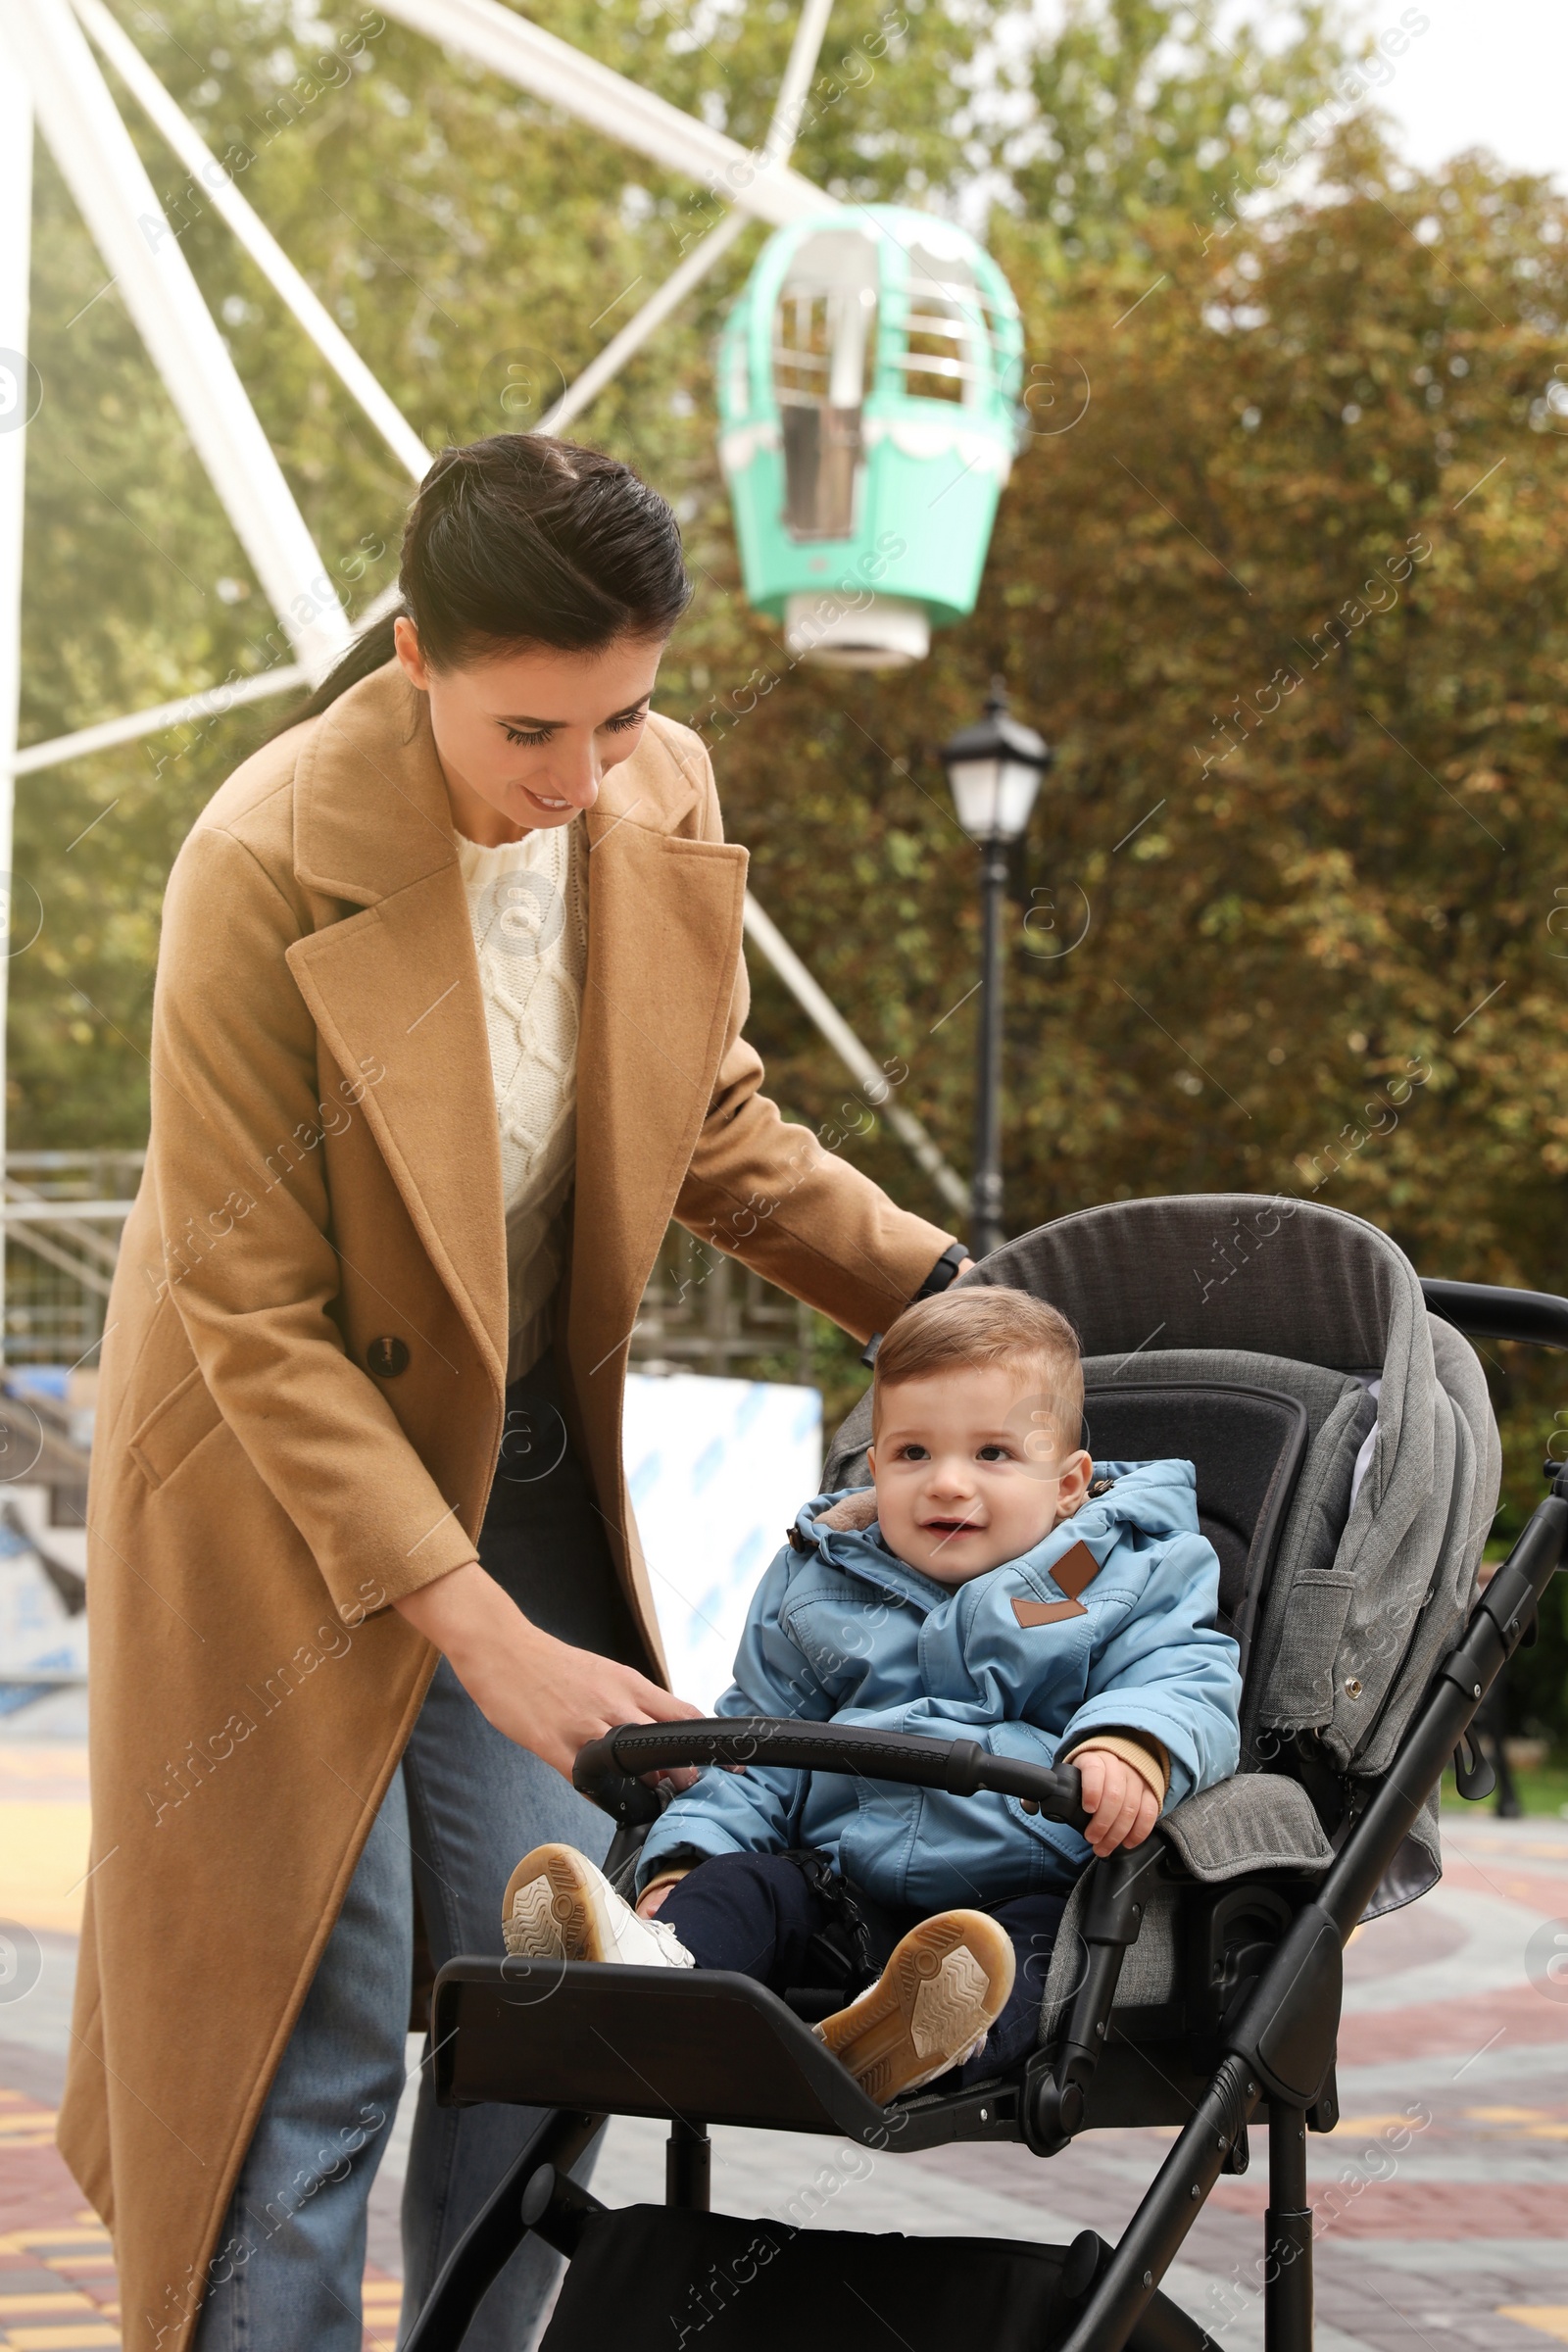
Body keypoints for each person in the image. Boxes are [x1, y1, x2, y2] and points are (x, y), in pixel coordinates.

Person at [57, 435, 968, 2352]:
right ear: (414, 658)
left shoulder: (655, 791)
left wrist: (946, 1297)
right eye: (528, 732)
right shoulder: (254, 862)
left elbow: (702, 1120)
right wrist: (482, 1637)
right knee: (304, 2016)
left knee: (540, 1989)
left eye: (620, 718)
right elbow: (248, 1305)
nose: (577, 783)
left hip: (506, 1462)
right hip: (258, 1468)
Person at [502, 1287, 1243, 2101]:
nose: (947, 1485)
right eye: (913, 1454)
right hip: (838, 1889)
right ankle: (654, 1962)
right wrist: (685, 1862)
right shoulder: (822, 1584)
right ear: (876, 1462)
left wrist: (1131, 1743)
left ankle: (930, 2034)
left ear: (1069, 1485)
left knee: (1030, 1948)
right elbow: (756, 1751)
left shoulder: (1119, 1575)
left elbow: (1183, 1673)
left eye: (992, 1454)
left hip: (1022, 1881)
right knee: (749, 1888)